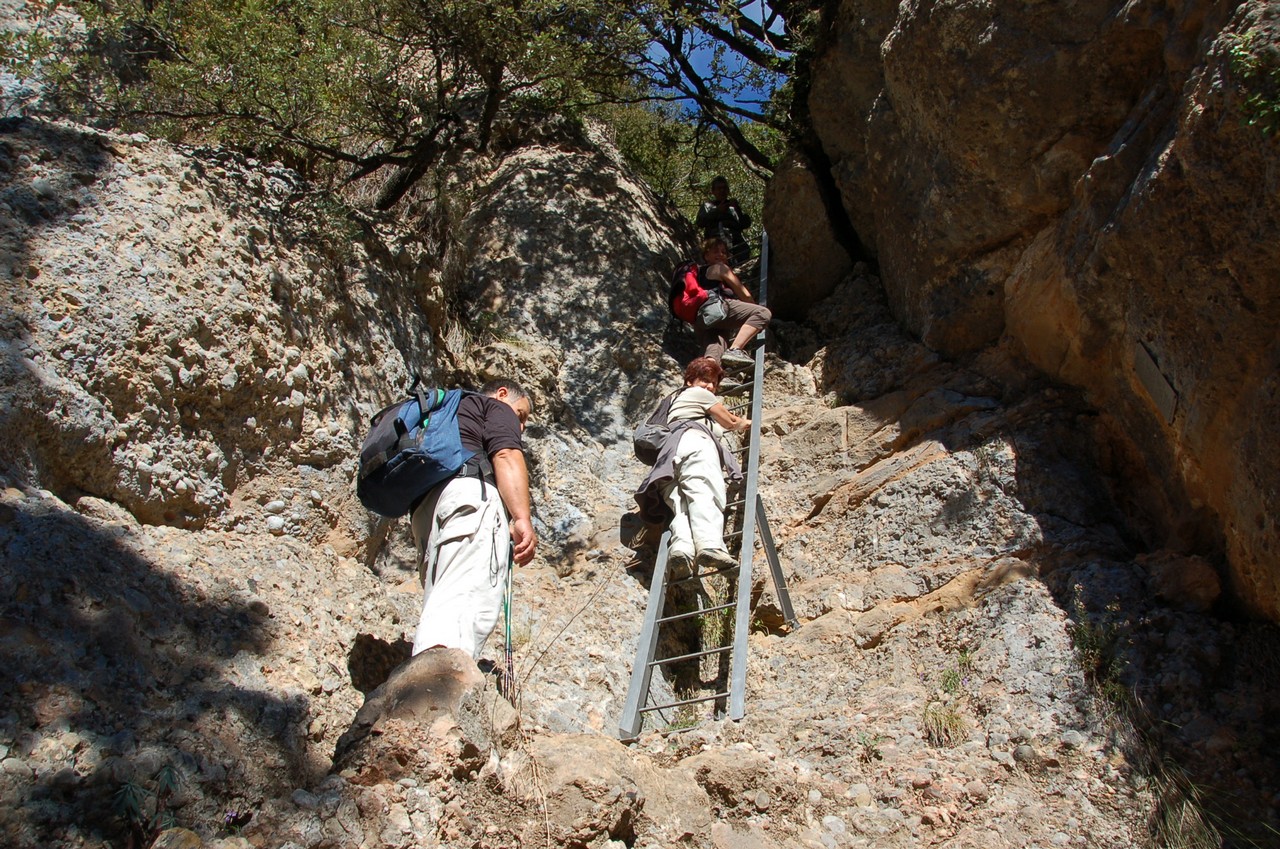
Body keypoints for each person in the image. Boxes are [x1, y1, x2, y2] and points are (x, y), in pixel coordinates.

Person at [408, 378, 536, 659]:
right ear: (502, 394)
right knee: (465, 602)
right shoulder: (494, 406)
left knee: (442, 603)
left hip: (425, 513)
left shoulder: (450, 413)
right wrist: (521, 518)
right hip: (469, 496)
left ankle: (426, 670)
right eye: (520, 415)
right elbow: (506, 454)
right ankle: (442, 678)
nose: (521, 426)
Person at [634, 357, 750, 574]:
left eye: (713, 383)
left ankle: (682, 549)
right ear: (690, 381)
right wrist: (745, 423)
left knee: (679, 503)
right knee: (704, 489)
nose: (710, 386)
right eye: (705, 380)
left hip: (668, 455)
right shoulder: (699, 394)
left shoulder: (676, 401)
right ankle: (710, 545)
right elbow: (731, 422)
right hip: (694, 442)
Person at [696, 236, 772, 370]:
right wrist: (755, 317)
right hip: (719, 308)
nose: (720, 254)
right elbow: (745, 295)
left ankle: (708, 374)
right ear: (706, 255)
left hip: (703, 318)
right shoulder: (720, 268)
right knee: (763, 313)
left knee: (715, 346)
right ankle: (735, 350)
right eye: (715, 251)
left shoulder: (699, 274)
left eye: (723, 252)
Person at [695, 175, 752, 265]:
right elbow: (700, 222)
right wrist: (717, 211)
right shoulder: (707, 206)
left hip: (736, 244)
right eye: (719, 188)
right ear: (713, 191)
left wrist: (738, 209)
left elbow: (745, 224)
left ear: (728, 190)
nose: (722, 191)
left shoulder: (733, 207)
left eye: (724, 188)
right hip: (716, 244)